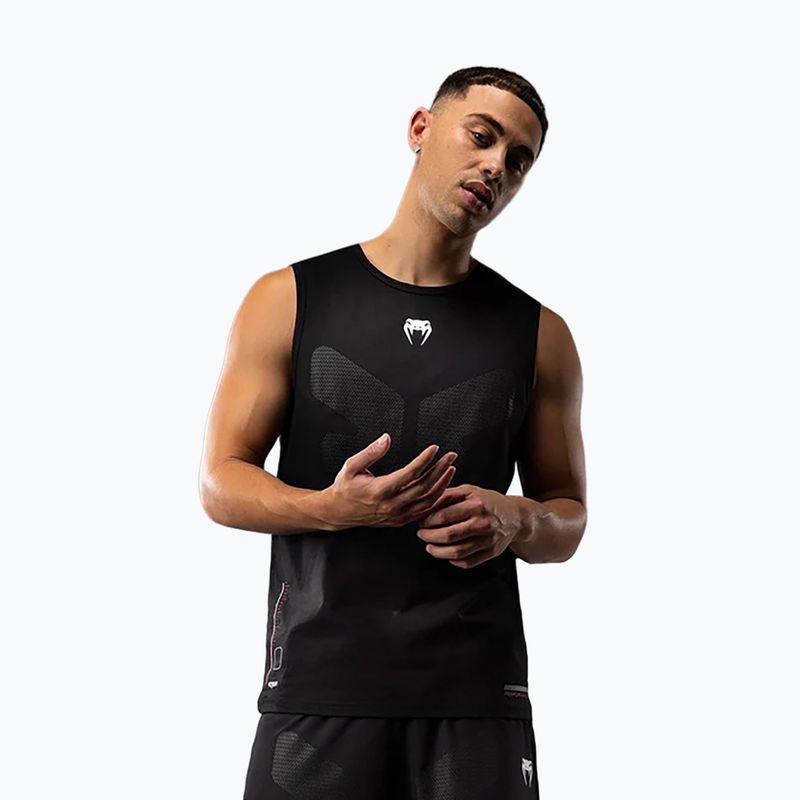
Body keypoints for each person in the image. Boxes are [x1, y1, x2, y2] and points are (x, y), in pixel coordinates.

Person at [199, 65, 587, 799]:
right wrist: (332, 509)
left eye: (518, 160)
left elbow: (568, 516)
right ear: (420, 129)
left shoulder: (541, 335)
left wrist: (514, 518)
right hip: (319, 688)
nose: (495, 167)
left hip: (475, 698)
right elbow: (221, 483)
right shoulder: (288, 299)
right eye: (481, 136)